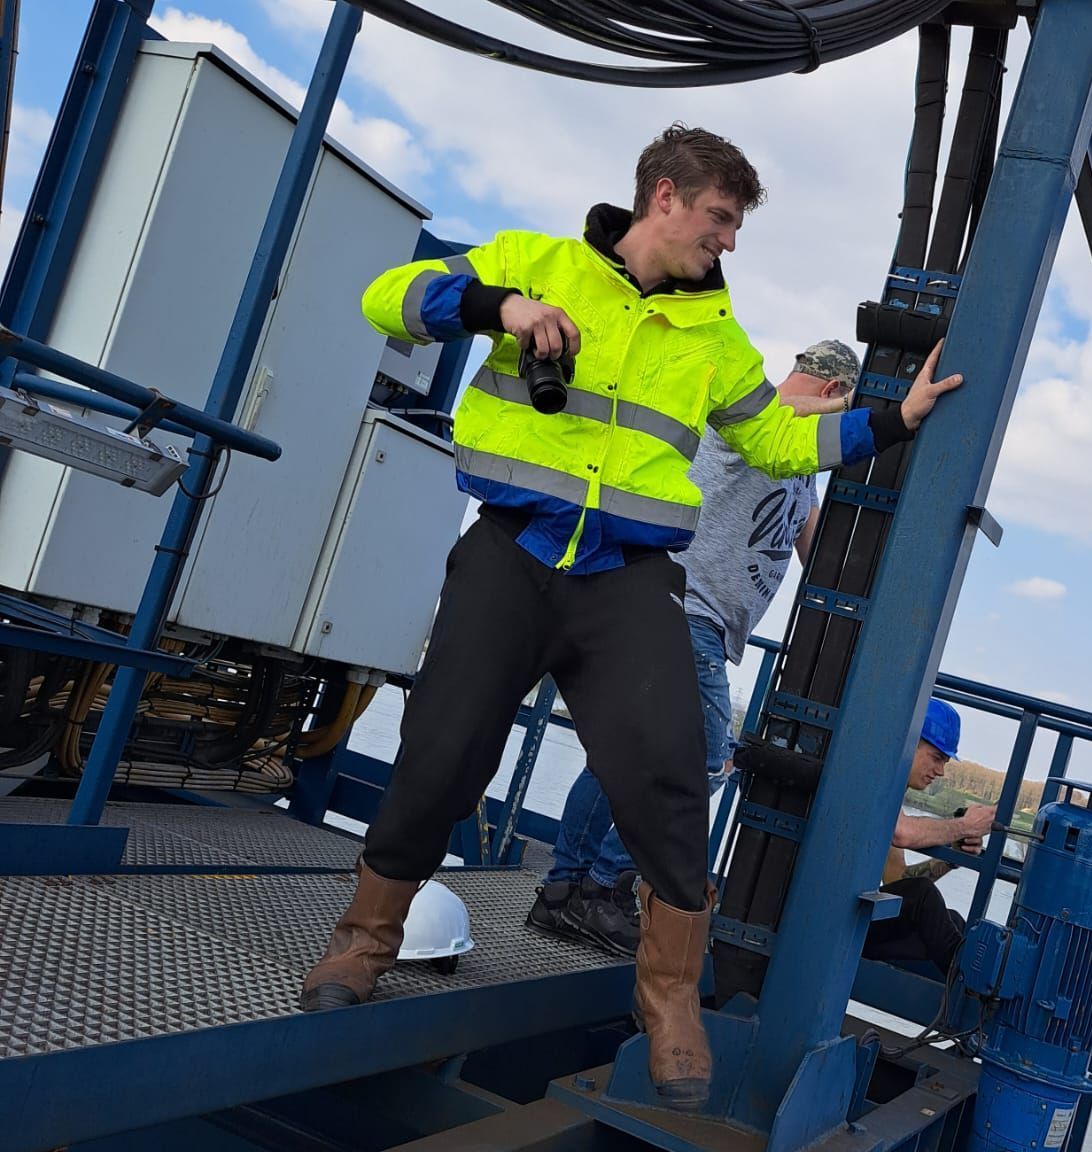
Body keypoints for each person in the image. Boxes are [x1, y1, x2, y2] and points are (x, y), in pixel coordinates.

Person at [297, 123, 962, 1110]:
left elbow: (779, 443)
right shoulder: (540, 261)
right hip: (512, 552)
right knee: (441, 752)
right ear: (663, 197)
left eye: (735, 226)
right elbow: (387, 297)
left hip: (632, 577)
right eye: (719, 219)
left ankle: (668, 1000)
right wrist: (503, 305)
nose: (728, 242)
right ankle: (361, 944)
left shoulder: (715, 340)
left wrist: (890, 422)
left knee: (669, 773)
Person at [529, 340, 860, 958]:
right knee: (703, 760)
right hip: (687, 609)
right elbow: (784, 407)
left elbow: (814, 551)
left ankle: (560, 895)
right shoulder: (756, 416)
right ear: (830, 392)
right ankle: (606, 887)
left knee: (615, 756)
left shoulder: (800, 464)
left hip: (702, 621)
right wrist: (853, 416)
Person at [863, 699, 996, 978]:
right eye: (936, 757)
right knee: (923, 895)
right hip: (826, 915)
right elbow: (902, 832)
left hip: (854, 916)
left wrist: (948, 860)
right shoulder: (872, 777)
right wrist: (965, 826)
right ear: (909, 741)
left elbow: (897, 881)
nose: (941, 772)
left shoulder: (891, 794)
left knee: (954, 921)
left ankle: (979, 976)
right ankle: (968, 980)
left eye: (945, 762)